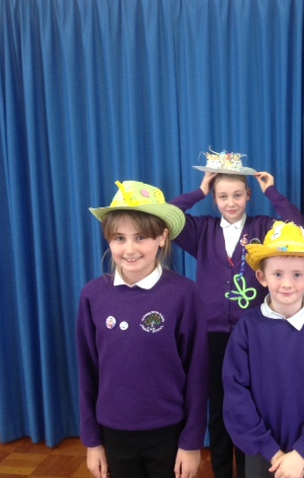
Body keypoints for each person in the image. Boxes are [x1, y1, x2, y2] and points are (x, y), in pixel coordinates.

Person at [170, 150, 304, 478]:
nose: (230, 203)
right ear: (214, 199)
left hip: (254, 333)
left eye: (237, 195)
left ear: (248, 195)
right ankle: (221, 470)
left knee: (251, 408)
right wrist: (198, 191)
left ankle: (249, 471)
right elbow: (167, 218)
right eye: (222, 196)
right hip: (213, 335)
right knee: (217, 409)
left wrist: (271, 192)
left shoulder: (263, 227)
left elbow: (298, 228)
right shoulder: (201, 230)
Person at [77, 180, 209, 478]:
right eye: (119, 238)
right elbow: (87, 372)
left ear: (162, 237)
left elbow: (197, 373)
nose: (130, 249)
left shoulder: (184, 294)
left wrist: (191, 443)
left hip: (169, 432)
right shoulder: (93, 295)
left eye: (140, 237)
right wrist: (92, 442)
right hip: (114, 431)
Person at [222, 221, 304, 478]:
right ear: (262, 277)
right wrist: (272, 452)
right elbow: (236, 395)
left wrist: (302, 452)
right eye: (278, 274)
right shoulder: (247, 328)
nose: (287, 284)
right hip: (262, 454)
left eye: (297, 275)